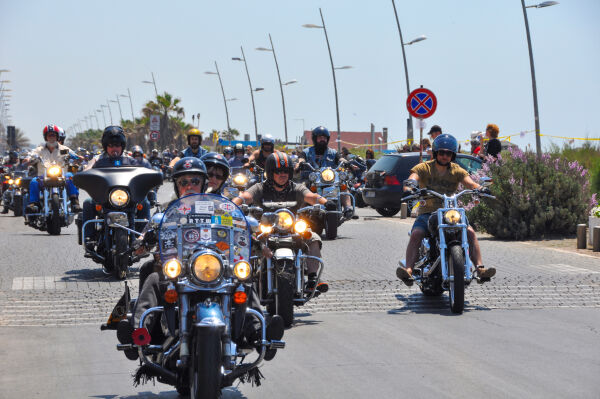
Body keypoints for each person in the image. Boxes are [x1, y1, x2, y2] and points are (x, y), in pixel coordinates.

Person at [117, 157, 284, 361]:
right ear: (177, 185)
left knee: (244, 280)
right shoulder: (166, 210)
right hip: (177, 273)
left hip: (216, 270)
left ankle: (259, 334)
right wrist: (142, 241)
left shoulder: (221, 209)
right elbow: (144, 237)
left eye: (194, 181)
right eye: (183, 182)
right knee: (152, 278)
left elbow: (240, 230)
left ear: (204, 183)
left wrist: (255, 238)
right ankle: (137, 335)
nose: (189, 186)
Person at [395, 134, 496, 286]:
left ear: (452, 155)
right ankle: (409, 270)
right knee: (416, 233)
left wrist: (480, 188)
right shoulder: (424, 167)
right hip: (428, 212)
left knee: (470, 232)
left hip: (451, 211)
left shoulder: (456, 170)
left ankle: (480, 269)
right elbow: (413, 177)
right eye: (441, 152)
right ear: (436, 153)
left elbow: (470, 183)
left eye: (448, 153)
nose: (444, 156)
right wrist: (409, 187)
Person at [233, 151, 330, 294]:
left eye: (286, 171)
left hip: (292, 229)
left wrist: (326, 202)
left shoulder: (296, 187)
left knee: (313, 238)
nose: (282, 174)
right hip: (265, 229)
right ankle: (244, 278)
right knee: (246, 242)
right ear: (270, 173)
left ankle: (312, 278)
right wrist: (232, 205)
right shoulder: (260, 187)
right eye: (278, 171)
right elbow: (246, 196)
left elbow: (311, 196)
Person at [81, 126, 145, 249]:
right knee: (88, 203)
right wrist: (85, 173)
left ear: (122, 146)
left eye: (117, 145)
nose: (114, 148)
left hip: (126, 196)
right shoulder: (98, 158)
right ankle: (89, 238)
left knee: (145, 202)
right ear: (106, 146)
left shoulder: (130, 159)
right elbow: (87, 169)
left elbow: (142, 171)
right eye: (111, 145)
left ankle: (142, 237)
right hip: (104, 196)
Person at [296, 126, 353, 218]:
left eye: (324, 138)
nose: (322, 139)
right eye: (320, 137)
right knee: (302, 188)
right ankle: (299, 212)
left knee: (343, 185)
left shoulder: (333, 152)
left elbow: (340, 158)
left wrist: (346, 163)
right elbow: (301, 158)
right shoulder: (306, 152)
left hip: (329, 180)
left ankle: (348, 208)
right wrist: (300, 163)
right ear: (315, 139)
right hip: (311, 179)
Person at [26, 125, 81, 213]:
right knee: (33, 181)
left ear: (57, 137)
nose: (52, 138)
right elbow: (31, 155)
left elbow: (74, 155)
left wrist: (79, 157)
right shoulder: (39, 150)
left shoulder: (64, 149)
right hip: (44, 177)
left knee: (70, 176)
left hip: (61, 176)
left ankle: (74, 201)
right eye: (49, 135)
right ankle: (34, 204)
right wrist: (28, 159)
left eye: (53, 135)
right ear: (46, 137)